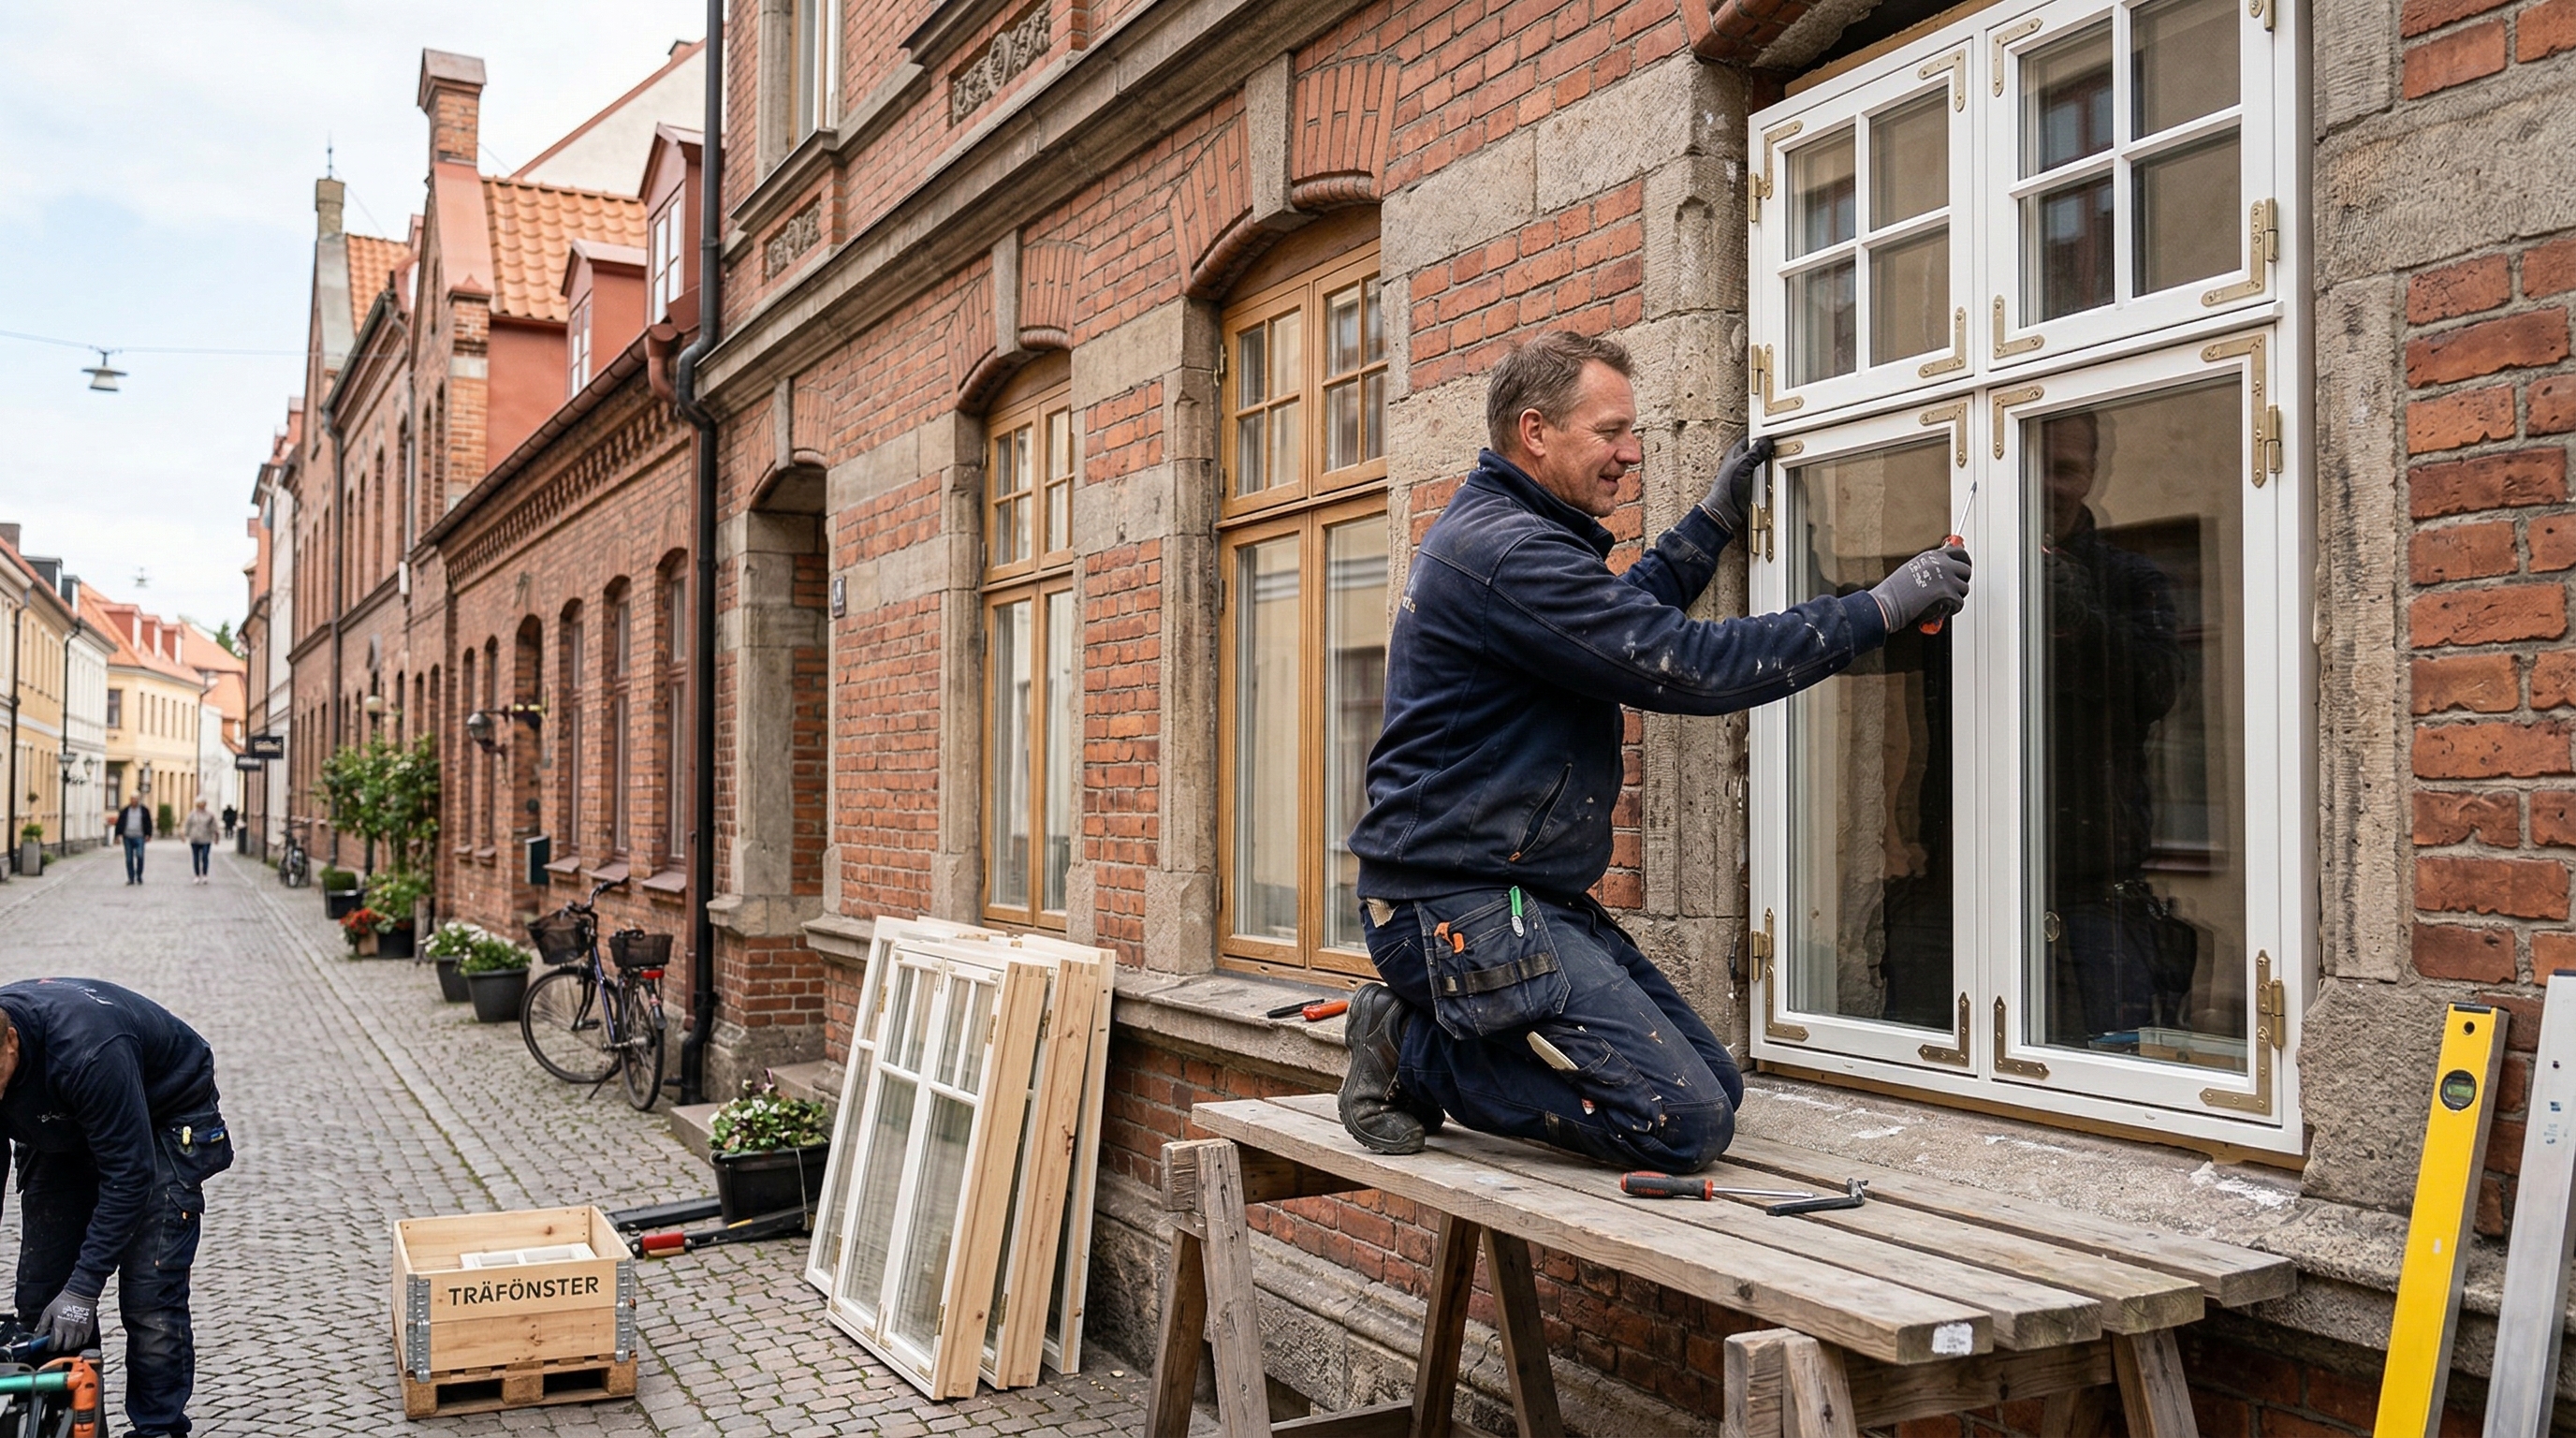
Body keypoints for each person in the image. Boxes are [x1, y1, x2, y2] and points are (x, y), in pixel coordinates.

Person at [1339, 330, 1971, 1171]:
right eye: (1610, 432)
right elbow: (1683, 664)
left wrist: (1710, 525)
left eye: (1631, 433)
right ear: (1536, 432)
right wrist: (1877, 609)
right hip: (1452, 907)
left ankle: (1419, 1040)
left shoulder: (1514, 537)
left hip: (1510, 893)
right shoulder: (1509, 552)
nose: (1632, 453)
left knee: (1716, 1085)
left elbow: (1616, 621)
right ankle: (1411, 1048)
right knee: (1681, 1123)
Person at [0, 977, 229, 1438]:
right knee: (41, 1298)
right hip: (63, 1121)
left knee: (149, 1298)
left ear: (11, 1040)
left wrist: (84, 1290)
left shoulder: (89, 1051)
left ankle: (158, 1429)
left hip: (162, 1114)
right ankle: (72, 1428)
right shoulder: (14, 1060)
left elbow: (130, 1175)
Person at [113, 798, 153, 886]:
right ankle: (131, 878)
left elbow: (148, 823)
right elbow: (120, 823)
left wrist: (148, 834)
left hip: (140, 837)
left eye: (135, 800)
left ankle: (139, 875)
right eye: (132, 800)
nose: (134, 801)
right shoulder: (125, 811)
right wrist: (117, 835)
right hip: (127, 837)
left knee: (140, 856)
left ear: (138, 800)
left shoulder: (144, 810)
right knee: (129, 859)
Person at [181, 800, 220, 887]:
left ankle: (205, 875)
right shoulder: (192, 814)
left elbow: (214, 826)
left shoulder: (210, 814)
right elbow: (188, 825)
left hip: (206, 838)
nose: (202, 806)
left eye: (203, 804)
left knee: (205, 856)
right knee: (196, 857)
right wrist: (184, 835)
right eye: (200, 804)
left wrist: (216, 836)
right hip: (195, 838)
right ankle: (197, 875)